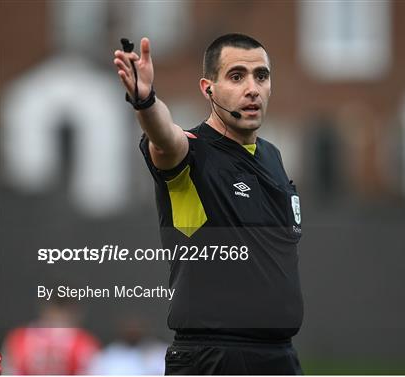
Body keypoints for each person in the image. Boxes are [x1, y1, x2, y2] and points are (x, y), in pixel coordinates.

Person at [113, 33, 304, 375]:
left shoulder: (272, 157)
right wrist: (145, 100)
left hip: (279, 356)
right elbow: (164, 138)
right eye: (236, 76)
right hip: (213, 357)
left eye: (261, 75)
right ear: (208, 88)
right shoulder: (193, 152)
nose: (252, 88)